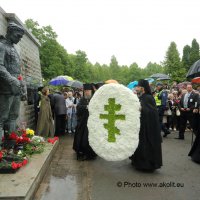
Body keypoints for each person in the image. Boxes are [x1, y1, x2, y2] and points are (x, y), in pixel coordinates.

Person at [130, 79, 162, 172]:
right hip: (142, 126)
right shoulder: (141, 97)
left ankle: (146, 165)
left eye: (138, 87)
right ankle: (138, 162)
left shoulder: (148, 97)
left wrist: (141, 109)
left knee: (146, 146)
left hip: (148, 128)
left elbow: (151, 112)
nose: (136, 88)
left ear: (142, 88)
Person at [0, 22, 25, 142]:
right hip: (5, 87)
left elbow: (17, 69)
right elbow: (0, 66)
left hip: (16, 86)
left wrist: (22, 82)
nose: (19, 39)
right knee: (2, 117)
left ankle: (11, 145)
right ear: (10, 32)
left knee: (13, 116)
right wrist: (11, 79)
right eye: (17, 36)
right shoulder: (2, 46)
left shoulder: (14, 49)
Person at [73, 83, 96, 161]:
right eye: (85, 91)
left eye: (88, 91)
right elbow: (78, 107)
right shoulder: (82, 99)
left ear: (91, 91)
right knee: (82, 138)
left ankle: (90, 154)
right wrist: (86, 107)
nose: (87, 92)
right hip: (83, 122)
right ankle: (82, 152)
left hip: (92, 123)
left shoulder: (94, 99)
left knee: (89, 139)